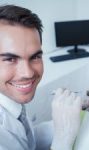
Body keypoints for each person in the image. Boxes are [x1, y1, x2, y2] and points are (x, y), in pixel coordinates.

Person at [0, 4, 82, 150]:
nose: (28, 73)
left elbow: (26, 139)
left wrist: (67, 118)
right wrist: (63, 140)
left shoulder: (9, 100)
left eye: (35, 57)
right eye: (10, 59)